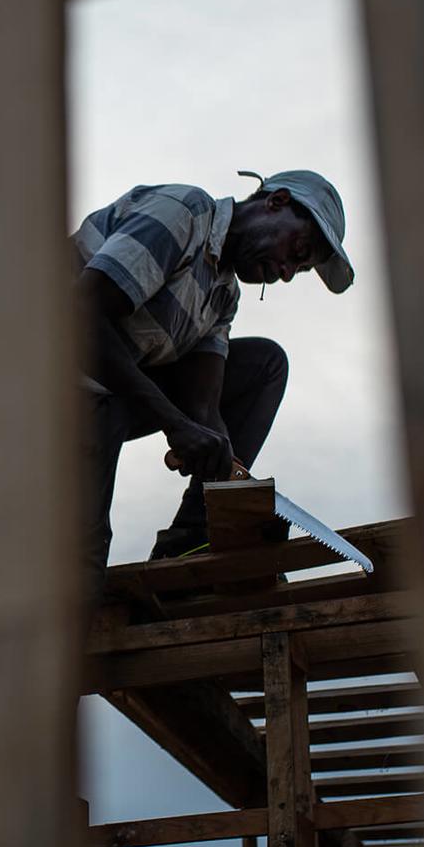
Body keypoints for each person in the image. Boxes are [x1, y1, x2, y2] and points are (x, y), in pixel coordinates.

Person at [75, 168, 354, 588]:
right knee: (80, 568)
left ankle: (194, 536)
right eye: (297, 250)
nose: (285, 272)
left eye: (297, 269)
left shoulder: (223, 297)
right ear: (275, 202)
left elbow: (204, 407)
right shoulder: (185, 213)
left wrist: (238, 490)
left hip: (109, 396)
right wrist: (175, 424)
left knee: (265, 364)